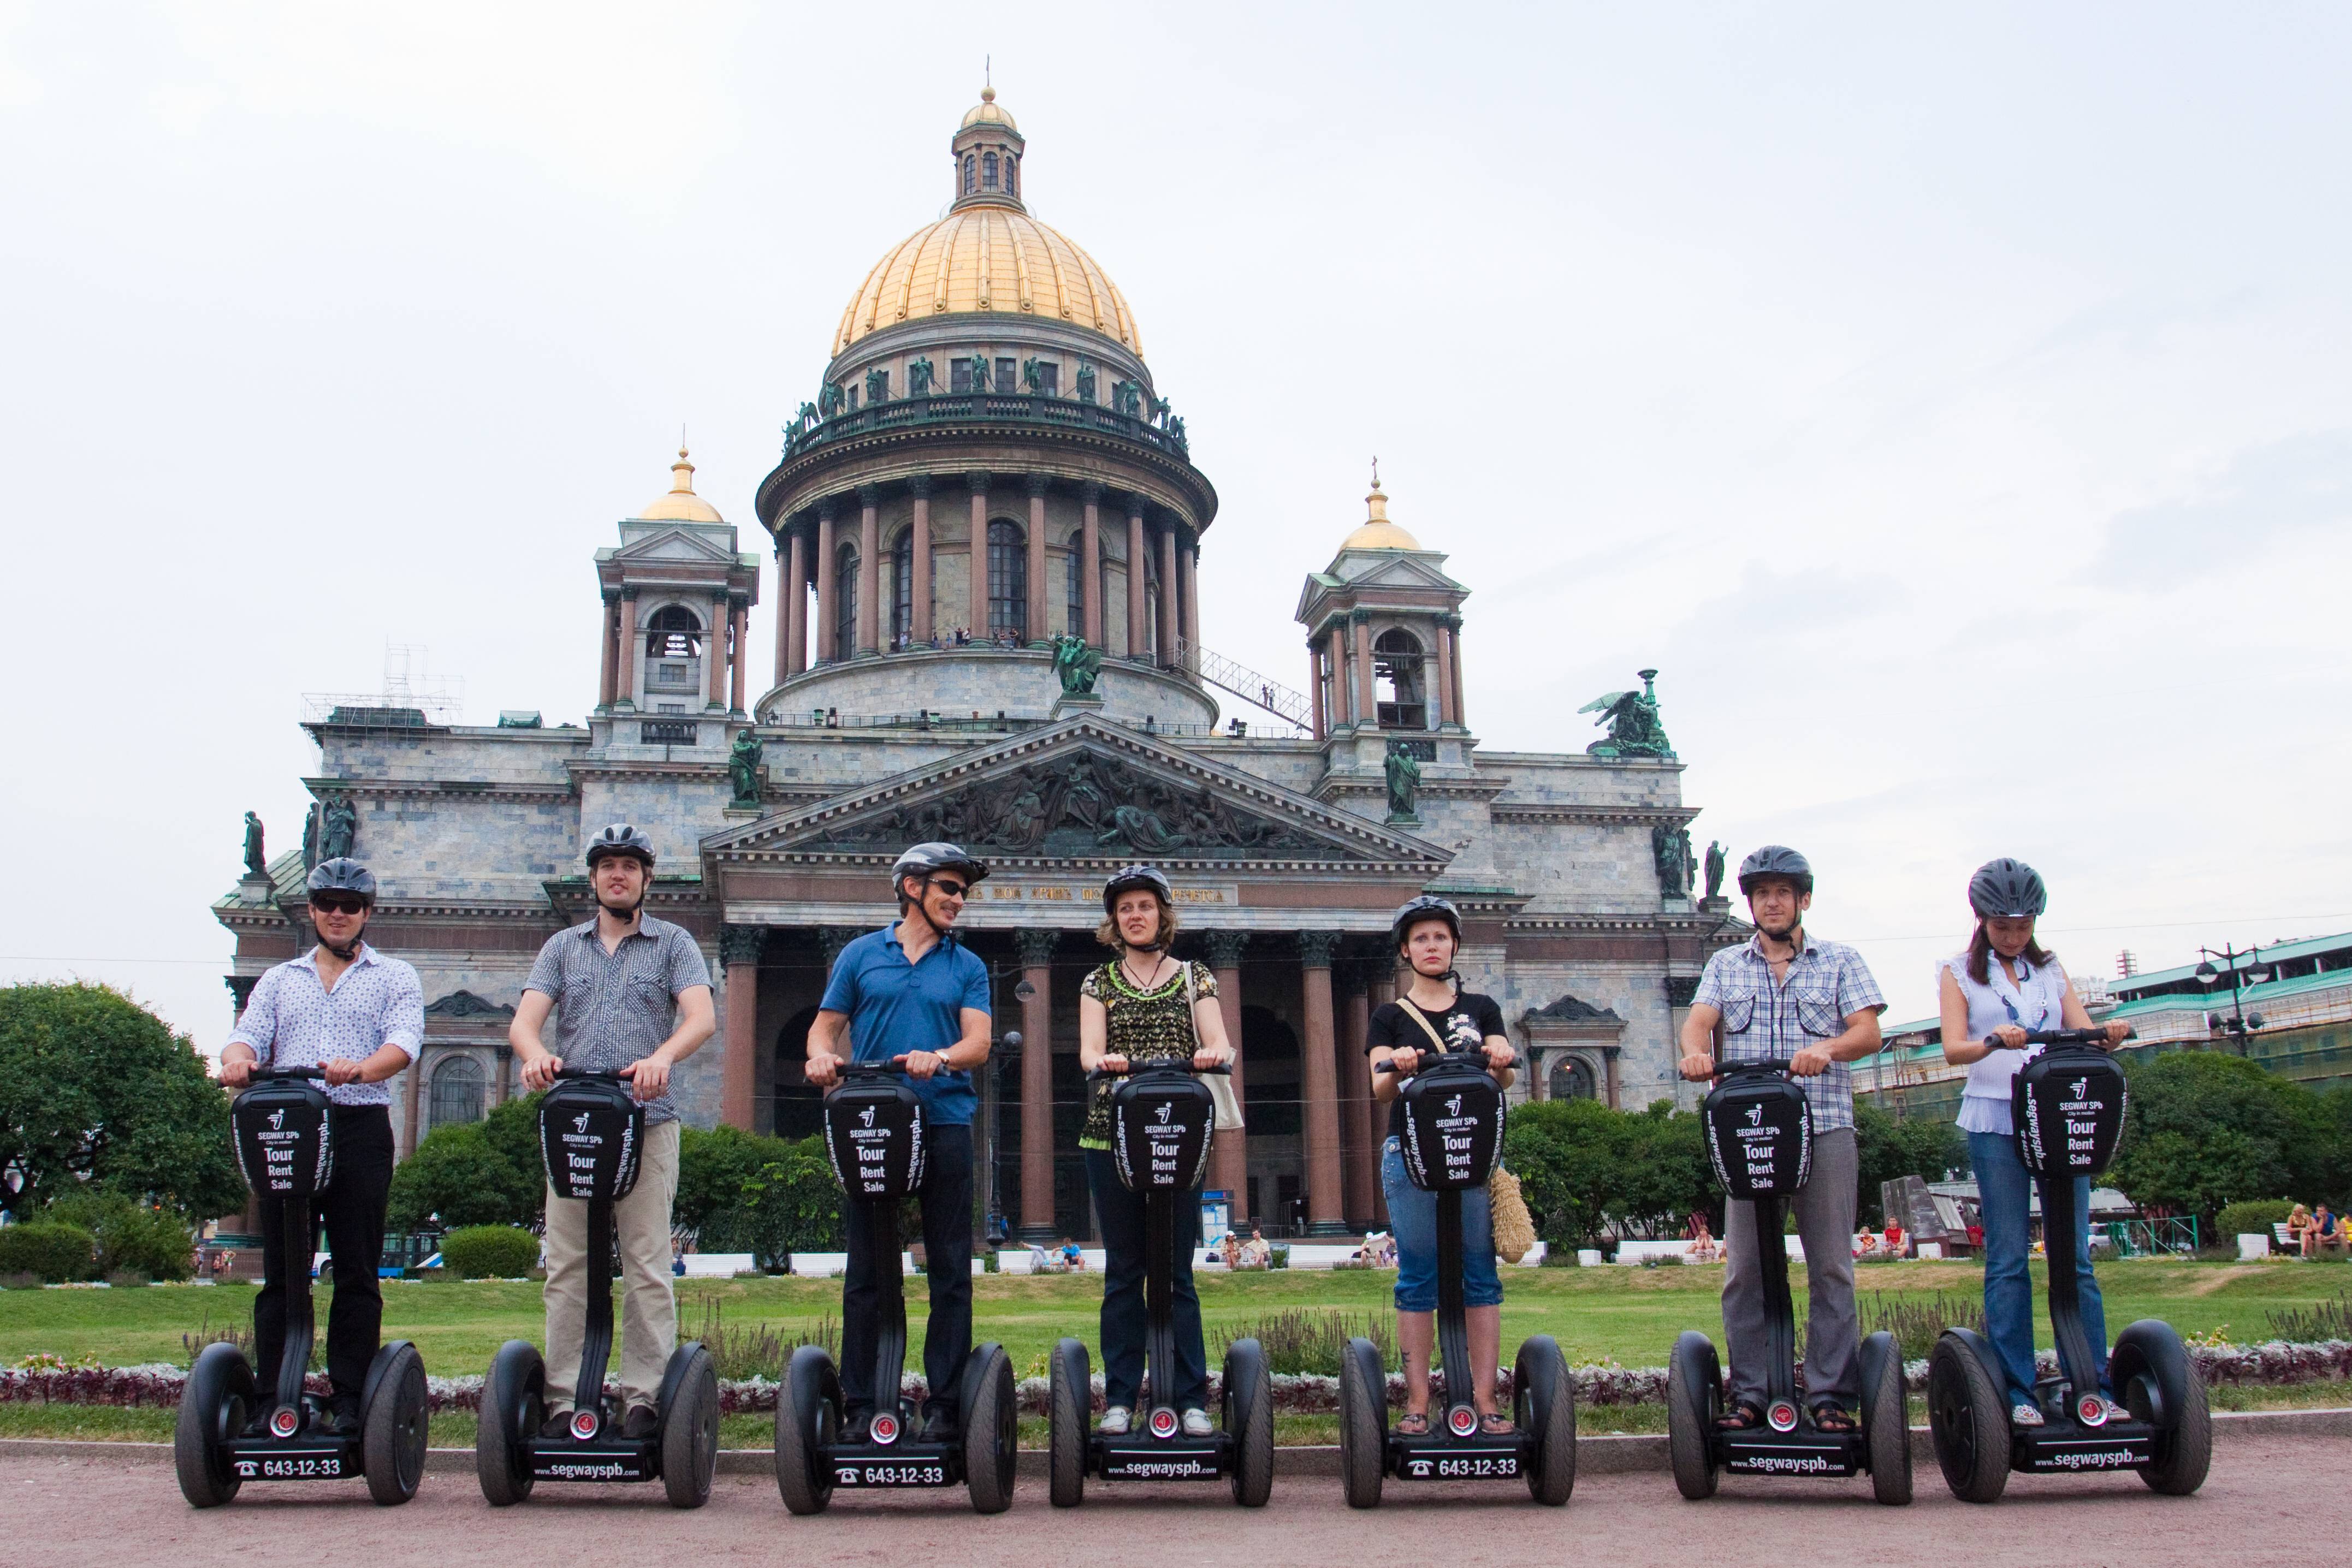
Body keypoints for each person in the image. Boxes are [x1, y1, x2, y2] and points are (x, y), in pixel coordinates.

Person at [511, 824, 715, 1440]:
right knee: (567, 1264)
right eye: (607, 867)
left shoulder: (673, 942)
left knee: (648, 1263)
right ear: (594, 879)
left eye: (629, 866)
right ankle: (562, 1396)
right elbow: (524, 1023)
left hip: (646, 1122)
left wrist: (663, 1057)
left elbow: (702, 1016)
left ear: (646, 879)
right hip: (576, 1122)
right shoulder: (562, 948)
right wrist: (534, 1056)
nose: (617, 875)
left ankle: (643, 1398)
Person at [1680, 846, 1886, 1435]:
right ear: (1750, 903)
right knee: (1743, 1267)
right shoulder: (1725, 964)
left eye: (1782, 892)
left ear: (1803, 900)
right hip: (1749, 1132)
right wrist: (1696, 1054)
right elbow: (1698, 1020)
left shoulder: (1839, 960)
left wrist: (1826, 1048)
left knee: (1830, 1267)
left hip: (1822, 1126)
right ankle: (1751, 1392)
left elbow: (1867, 1030)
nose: (1771, 902)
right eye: (1762, 893)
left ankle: (1827, 1394)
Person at [221, 858, 422, 1435]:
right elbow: (248, 1032)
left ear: (367, 914)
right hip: (293, 1127)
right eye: (328, 904)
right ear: (311, 910)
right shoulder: (281, 980)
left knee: (357, 1267)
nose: (339, 913)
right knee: (285, 1270)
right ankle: (272, 1397)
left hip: (358, 1126)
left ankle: (352, 1396)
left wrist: (361, 1068)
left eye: (350, 905)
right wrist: (237, 1059)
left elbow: (404, 1042)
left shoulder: (395, 976)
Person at [805, 841, 994, 1444]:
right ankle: (862, 1402)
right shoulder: (862, 955)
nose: (957, 901)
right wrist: (819, 1059)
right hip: (876, 1122)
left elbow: (978, 1044)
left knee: (948, 1265)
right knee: (867, 1269)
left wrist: (937, 1057)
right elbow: (825, 1027)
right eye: (948, 888)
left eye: (962, 892)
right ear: (911, 887)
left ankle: (943, 1403)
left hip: (942, 1120)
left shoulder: (967, 966)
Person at [1935, 857, 2129, 1427]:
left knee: (2075, 1256)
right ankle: (2017, 1390)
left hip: (2053, 1115)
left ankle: (2091, 1385)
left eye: (2022, 925)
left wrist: (2107, 1034)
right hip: (1995, 1116)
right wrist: (1994, 1040)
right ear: (1981, 920)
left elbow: (2080, 1028)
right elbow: (1952, 1048)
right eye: (2002, 926)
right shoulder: (1957, 971)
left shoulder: (2050, 969)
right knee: (2007, 1258)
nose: (2014, 936)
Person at [1076, 864, 1237, 1438]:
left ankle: (1190, 1397)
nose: (1135, 915)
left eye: (1144, 905)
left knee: (1175, 1271)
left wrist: (1212, 1054)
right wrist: (1106, 1062)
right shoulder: (1098, 981)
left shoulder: (1195, 977)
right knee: (1123, 1269)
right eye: (1125, 908)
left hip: (1176, 1132)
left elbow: (1217, 1039)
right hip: (1110, 1134)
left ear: (1161, 915)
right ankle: (1120, 1397)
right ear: (1114, 921)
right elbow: (1088, 1051)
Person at [1367, 895, 1519, 1437]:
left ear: (1453, 944)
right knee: (1417, 1276)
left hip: (1470, 1151)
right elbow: (1379, 1086)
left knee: (1479, 1274)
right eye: (1420, 939)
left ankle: (1483, 1399)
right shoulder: (1390, 1015)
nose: (1431, 946)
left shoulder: (1480, 1008)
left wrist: (1499, 1058)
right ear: (1406, 951)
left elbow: (1502, 1072)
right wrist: (1399, 1064)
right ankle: (1415, 1400)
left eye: (1439, 937)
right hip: (1409, 1154)